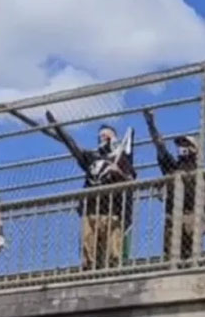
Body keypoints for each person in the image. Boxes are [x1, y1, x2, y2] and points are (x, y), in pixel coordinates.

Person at [45, 111, 136, 271]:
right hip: (91, 210)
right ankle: (88, 272)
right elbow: (73, 147)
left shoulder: (122, 160)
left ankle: (113, 275)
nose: (102, 138)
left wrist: (117, 172)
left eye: (106, 136)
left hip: (112, 212)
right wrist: (58, 127)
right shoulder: (92, 158)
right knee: (89, 252)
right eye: (100, 136)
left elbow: (131, 181)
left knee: (112, 254)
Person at [145, 109, 205, 262]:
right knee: (171, 255)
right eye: (180, 145)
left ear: (194, 148)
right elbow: (160, 145)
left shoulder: (202, 172)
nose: (181, 148)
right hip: (173, 216)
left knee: (192, 255)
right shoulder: (173, 167)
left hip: (192, 215)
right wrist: (151, 124)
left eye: (185, 144)